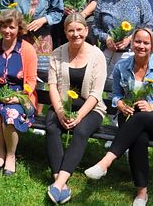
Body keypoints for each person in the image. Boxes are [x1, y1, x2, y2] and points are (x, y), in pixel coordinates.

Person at [83, 27, 153, 206]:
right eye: (138, 42)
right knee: (139, 138)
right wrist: (120, 104)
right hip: (130, 118)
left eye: (146, 43)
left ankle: (106, 162)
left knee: (141, 117)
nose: (141, 46)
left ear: (152, 45)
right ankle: (142, 193)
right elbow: (116, 95)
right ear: (132, 43)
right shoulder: (122, 66)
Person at [45, 14, 107, 205]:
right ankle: (60, 183)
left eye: (79, 30)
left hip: (91, 108)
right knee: (52, 127)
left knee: (80, 131)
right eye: (71, 30)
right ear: (65, 32)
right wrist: (61, 112)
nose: (75, 34)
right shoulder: (57, 53)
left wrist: (79, 116)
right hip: (63, 104)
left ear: (86, 31)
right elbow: (53, 86)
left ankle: (58, 183)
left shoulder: (98, 56)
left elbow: (96, 94)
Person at [0, 9, 38, 177]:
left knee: (10, 114)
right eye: (3, 27)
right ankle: (0, 154)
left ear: (19, 28)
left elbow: (32, 80)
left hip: (21, 97)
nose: (7, 31)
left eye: (11, 27)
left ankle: (11, 156)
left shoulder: (26, 50)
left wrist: (18, 97)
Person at [92, 0, 153, 75]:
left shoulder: (140, 1)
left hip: (132, 53)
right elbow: (95, 27)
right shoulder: (103, 2)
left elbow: (149, 26)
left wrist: (131, 38)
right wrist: (106, 38)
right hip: (108, 53)